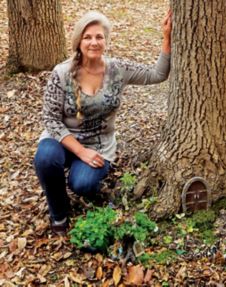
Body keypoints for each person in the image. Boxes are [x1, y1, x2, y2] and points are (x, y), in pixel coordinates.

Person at [34, 10, 172, 235]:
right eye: (88, 37)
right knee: (46, 159)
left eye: (99, 37)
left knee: (82, 185)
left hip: (98, 144)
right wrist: (80, 152)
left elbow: (157, 74)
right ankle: (58, 212)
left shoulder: (118, 69)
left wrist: (167, 38)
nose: (93, 42)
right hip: (62, 139)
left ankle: (76, 179)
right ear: (78, 40)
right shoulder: (61, 73)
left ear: (106, 41)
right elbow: (50, 119)